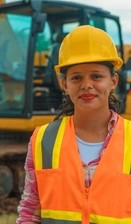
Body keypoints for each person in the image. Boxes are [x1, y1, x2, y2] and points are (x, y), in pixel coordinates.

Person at [16, 25, 131, 224]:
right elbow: (30, 210)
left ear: (113, 81)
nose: (86, 84)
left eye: (96, 76)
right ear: (64, 84)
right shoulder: (43, 140)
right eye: (76, 77)